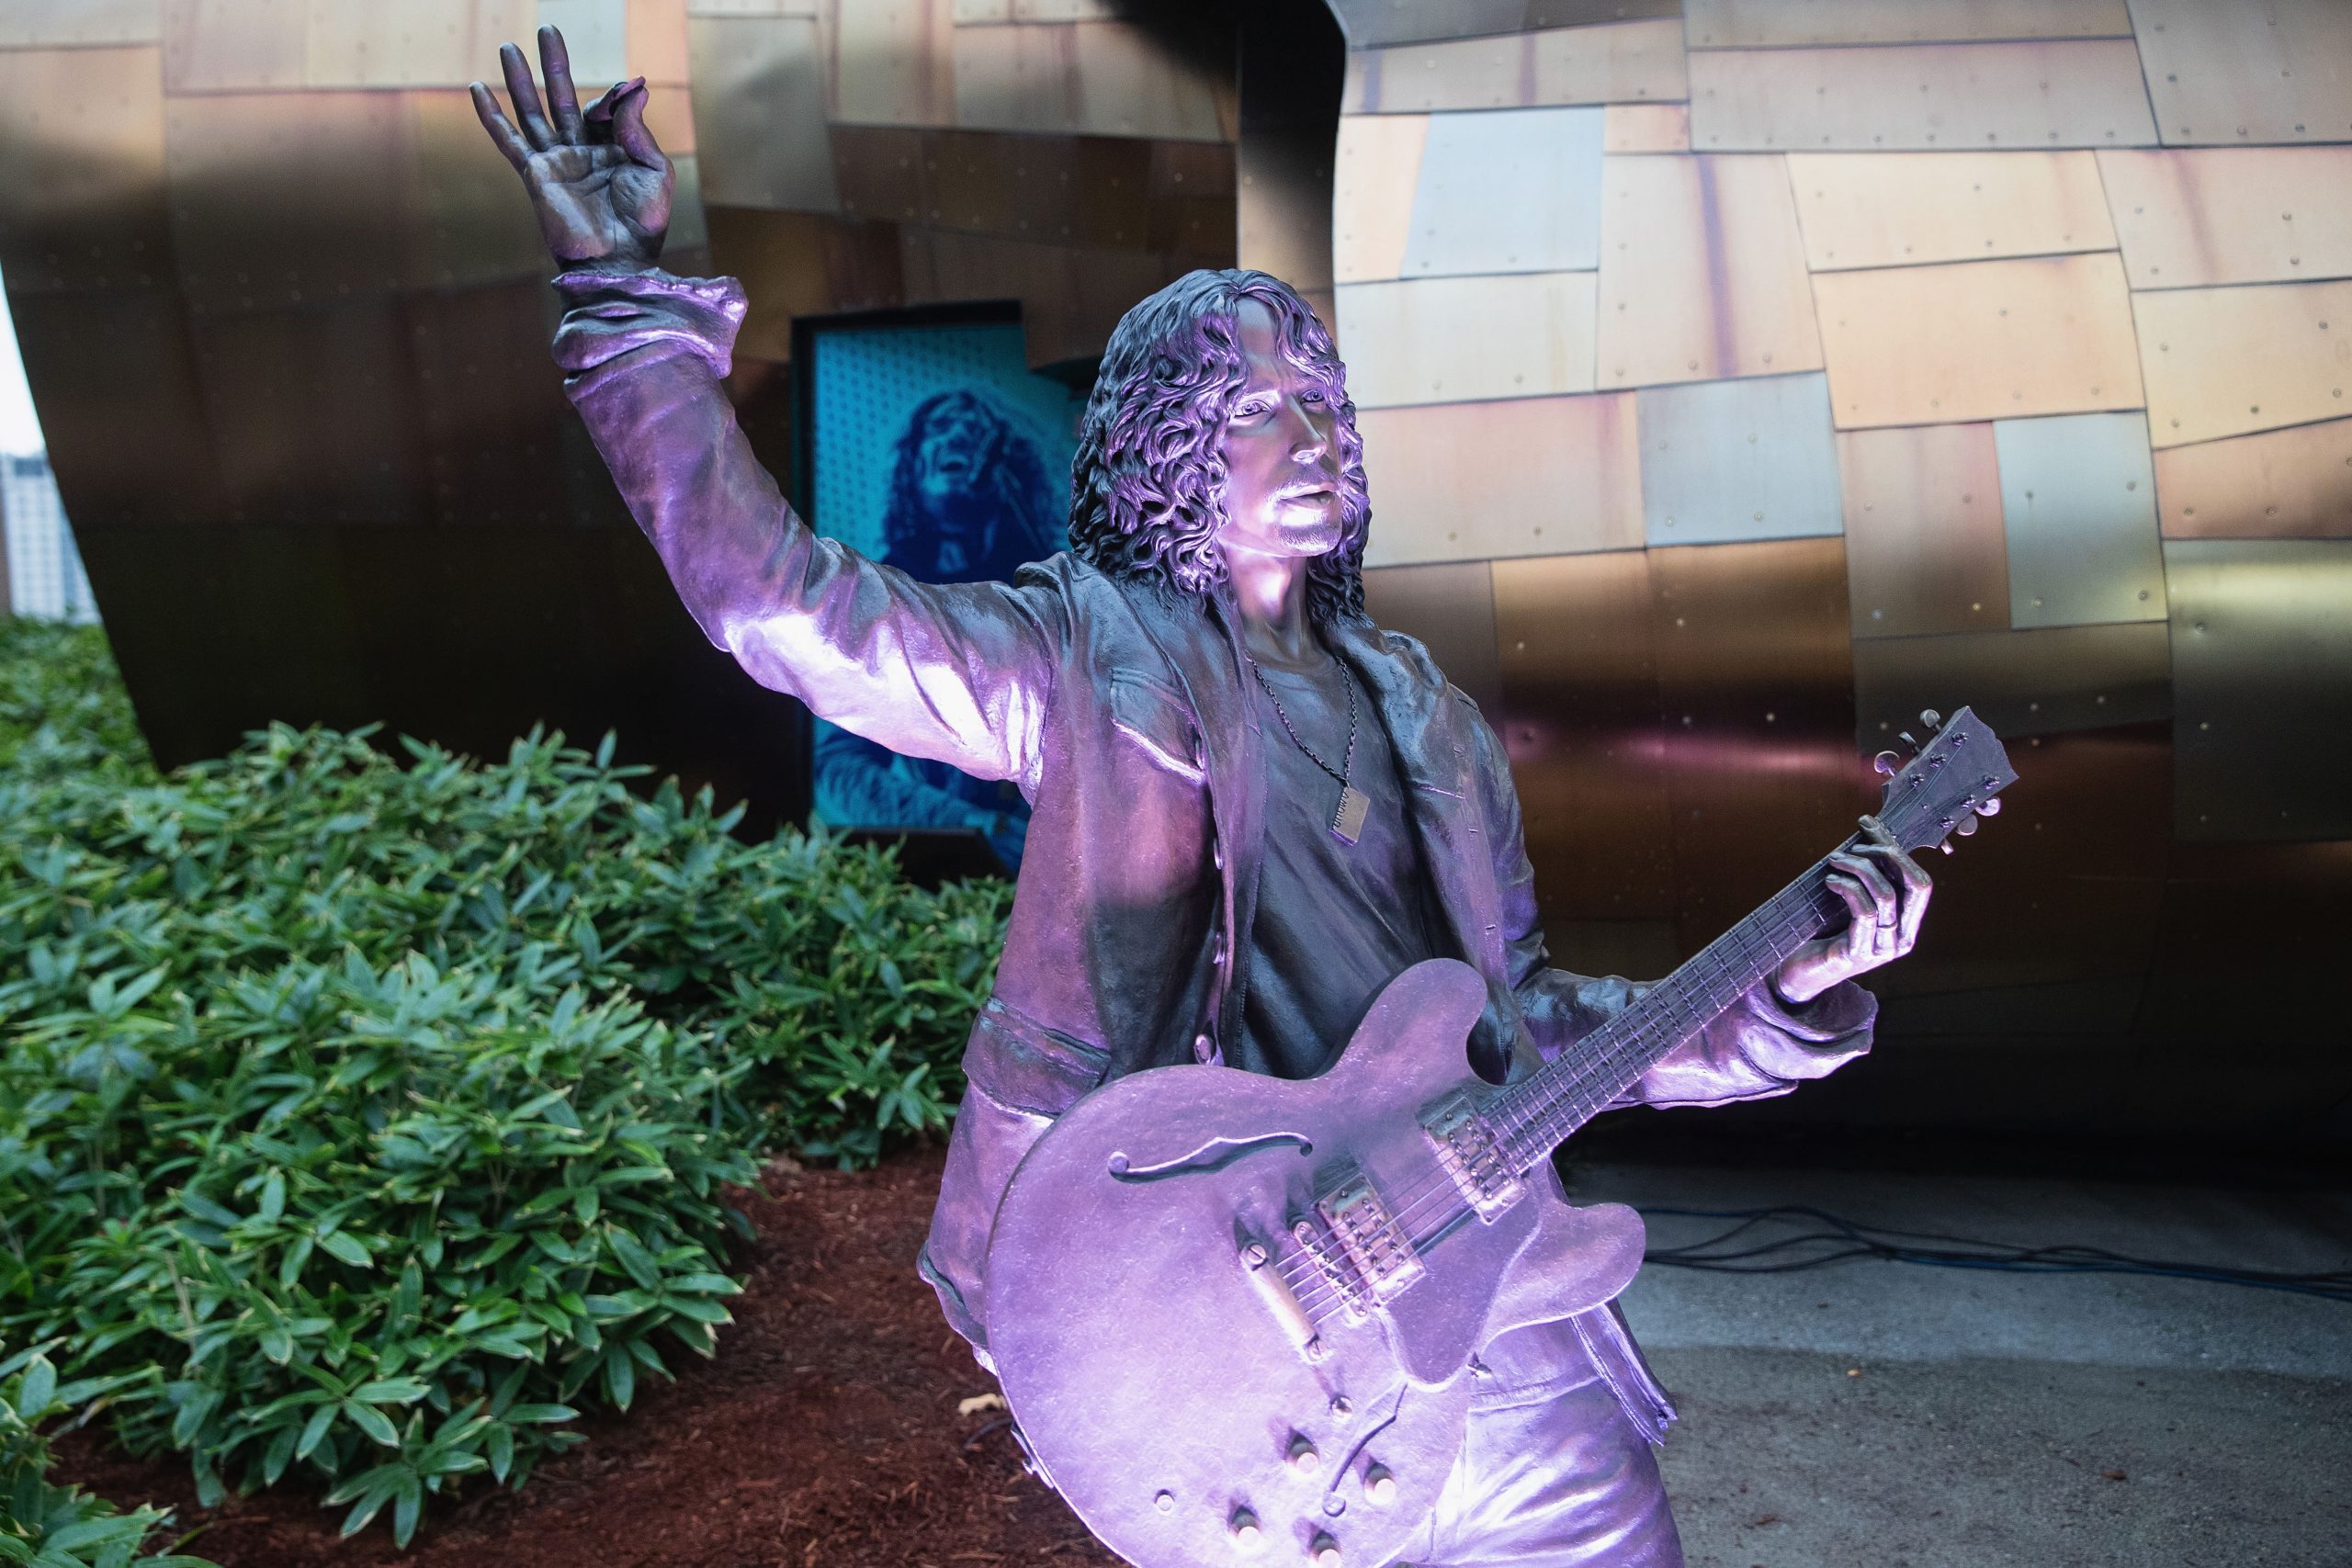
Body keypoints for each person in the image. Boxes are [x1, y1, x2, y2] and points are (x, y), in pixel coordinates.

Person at [474, 29, 1932, 1565]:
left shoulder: (1430, 718)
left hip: (1492, 1317)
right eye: (1254, 409)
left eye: (1323, 400)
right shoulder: (1081, 657)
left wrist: (1778, 993)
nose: (1311, 436)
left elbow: (1527, 1026)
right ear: (1169, 446)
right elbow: (781, 606)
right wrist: (622, 303)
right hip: (1228, 1318)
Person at [811, 388, 1067, 869]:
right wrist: (965, 824)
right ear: (912, 464)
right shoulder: (880, 598)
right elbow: (839, 762)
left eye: (976, 430)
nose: (960, 436)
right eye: (942, 426)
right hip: (944, 872)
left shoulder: (1052, 592)